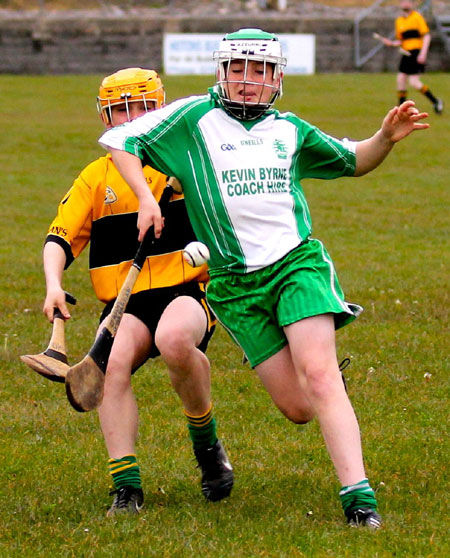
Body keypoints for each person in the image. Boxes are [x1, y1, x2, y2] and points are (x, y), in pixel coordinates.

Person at [98, 29, 429, 528]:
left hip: (297, 265)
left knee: (317, 375)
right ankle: (325, 380)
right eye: (237, 69)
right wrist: (146, 197)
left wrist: (383, 138)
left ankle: (360, 502)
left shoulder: (290, 129)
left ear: (276, 77)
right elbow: (119, 140)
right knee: (299, 407)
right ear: (221, 71)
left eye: (259, 71)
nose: (247, 81)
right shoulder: (191, 119)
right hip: (236, 286)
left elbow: (354, 160)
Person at [42, 67, 233, 516]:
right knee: (110, 365)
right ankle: (126, 487)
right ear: (105, 117)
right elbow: (59, 238)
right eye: (119, 111)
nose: (129, 118)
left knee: (173, 340)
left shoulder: (188, 162)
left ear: (159, 109)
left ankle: (207, 446)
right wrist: (54, 284)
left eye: (140, 108)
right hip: (125, 304)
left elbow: (232, 224)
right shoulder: (96, 177)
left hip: (187, 291)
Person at [381, 0, 443, 114]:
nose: (405, 3)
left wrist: (423, 53)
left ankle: (436, 101)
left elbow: (426, 36)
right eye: (402, 1)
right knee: (400, 79)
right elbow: (401, 40)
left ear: (412, 4)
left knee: (414, 82)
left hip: (415, 53)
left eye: (407, 1)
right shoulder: (399, 21)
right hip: (405, 53)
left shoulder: (417, 17)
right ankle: (401, 109)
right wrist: (391, 43)